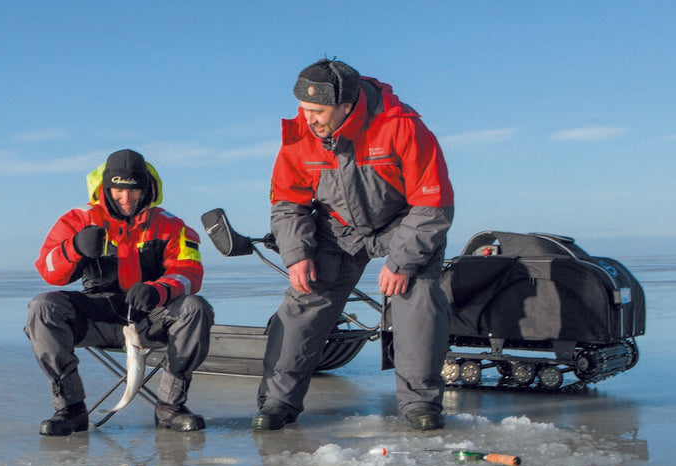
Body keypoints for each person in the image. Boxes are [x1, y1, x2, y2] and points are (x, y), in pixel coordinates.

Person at [253, 59, 454, 431]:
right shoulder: (300, 134)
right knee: (302, 303)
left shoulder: (402, 126)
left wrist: (403, 261)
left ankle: (420, 404)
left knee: (418, 302)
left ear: (347, 106)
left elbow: (432, 203)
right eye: (304, 108)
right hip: (337, 229)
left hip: (404, 223)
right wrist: (297, 255)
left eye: (317, 110)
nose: (308, 118)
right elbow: (287, 203)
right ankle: (278, 402)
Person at [25, 149, 214, 436]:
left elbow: (190, 272)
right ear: (105, 188)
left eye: (134, 191)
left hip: (152, 317)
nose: (126, 200)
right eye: (118, 191)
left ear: (147, 188)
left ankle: (170, 407)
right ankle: (71, 409)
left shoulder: (171, 225)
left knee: (196, 307)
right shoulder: (78, 219)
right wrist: (74, 247)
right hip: (97, 316)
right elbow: (49, 271)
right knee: (42, 307)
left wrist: (160, 289)